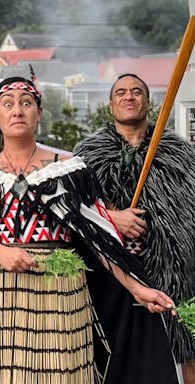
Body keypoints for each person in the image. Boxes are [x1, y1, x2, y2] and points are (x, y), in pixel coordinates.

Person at [0, 76, 176, 384]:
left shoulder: (69, 169)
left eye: (26, 104)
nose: (17, 111)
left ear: (39, 113)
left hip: (61, 293)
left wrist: (138, 289)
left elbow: (101, 237)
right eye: (8, 104)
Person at [74, 73, 195, 383]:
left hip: (173, 267)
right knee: (113, 352)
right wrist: (114, 219)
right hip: (112, 270)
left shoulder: (179, 154)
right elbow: (75, 212)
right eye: (121, 92)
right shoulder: (86, 156)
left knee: (188, 349)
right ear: (111, 104)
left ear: (148, 102)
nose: (129, 97)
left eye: (137, 92)